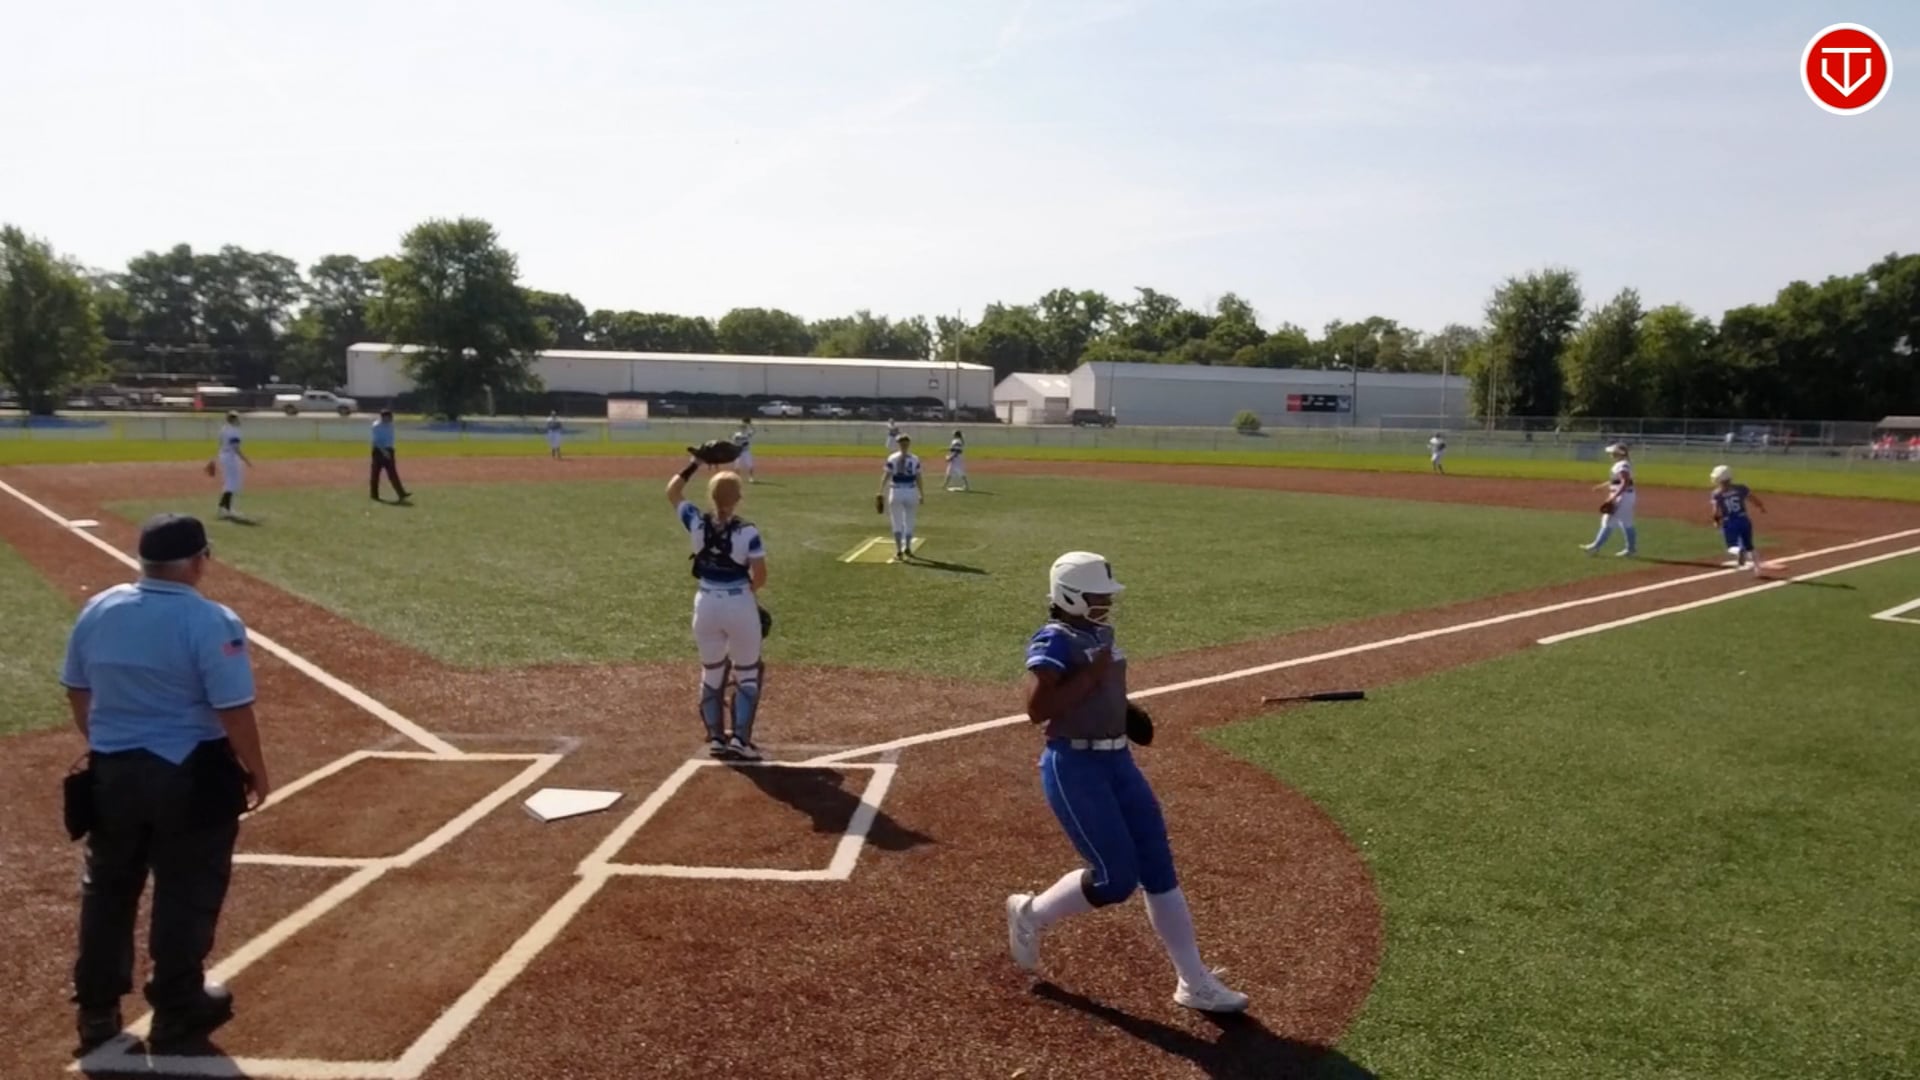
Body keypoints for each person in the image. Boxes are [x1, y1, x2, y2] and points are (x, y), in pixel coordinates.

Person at [61, 513, 272, 1057]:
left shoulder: (99, 608)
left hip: (112, 773)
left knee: (108, 887)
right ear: (197, 561)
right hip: (189, 773)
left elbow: (78, 690)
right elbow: (233, 708)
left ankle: (97, 1010)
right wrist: (256, 768)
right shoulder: (210, 620)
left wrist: (108, 742)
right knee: (187, 887)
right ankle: (178, 1004)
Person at [1003, 551, 1248, 1014]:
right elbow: (1037, 708)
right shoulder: (1053, 639)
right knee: (1115, 879)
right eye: (1098, 596)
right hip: (1074, 765)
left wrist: (1123, 710)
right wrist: (1092, 678)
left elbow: (1104, 688)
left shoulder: (1100, 633)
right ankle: (1031, 913)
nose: (1106, 604)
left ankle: (1193, 980)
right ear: (1071, 596)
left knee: (1158, 867)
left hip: (1118, 760)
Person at [666, 453, 768, 761]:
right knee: (747, 673)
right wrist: (746, 595)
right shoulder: (748, 532)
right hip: (738, 602)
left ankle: (716, 738)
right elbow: (760, 576)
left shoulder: (696, 521)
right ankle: (740, 740)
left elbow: (672, 491)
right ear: (738, 498)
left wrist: (695, 462)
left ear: (710, 496)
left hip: (705, 603)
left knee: (711, 671)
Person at [1709, 465, 1768, 576]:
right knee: (1750, 546)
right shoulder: (1741, 488)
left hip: (1730, 522)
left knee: (1731, 546)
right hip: (1744, 519)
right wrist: (1761, 507)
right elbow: (1754, 499)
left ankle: (1739, 551)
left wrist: (1716, 521)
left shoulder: (1717, 493)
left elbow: (1715, 511)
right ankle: (1758, 569)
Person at [1581, 443, 1636, 557]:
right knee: (1626, 523)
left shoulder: (1622, 465)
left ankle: (1595, 547)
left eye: (1613, 453)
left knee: (1608, 520)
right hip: (1626, 495)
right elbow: (1616, 481)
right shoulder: (1622, 464)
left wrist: (1614, 496)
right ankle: (1631, 549)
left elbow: (1625, 482)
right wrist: (1601, 486)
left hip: (1622, 496)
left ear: (1618, 453)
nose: (1611, 454)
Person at [879, 433, 924, 560]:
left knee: (896, 521)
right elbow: (918, 477)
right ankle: (908, 547)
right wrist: (921, 493)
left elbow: (886, 475)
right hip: (911, 491)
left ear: (898, 444)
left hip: (896, 491)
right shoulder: (915, 459)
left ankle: (899, 550)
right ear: (909, 444)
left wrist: (880, 490)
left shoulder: (892, 457)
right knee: (910, 520)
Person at [208, 412, 252, 521]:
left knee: (230, 483)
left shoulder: (224, 429)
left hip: (224, 456)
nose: (239, 420)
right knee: (231, 484)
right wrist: (246, 460)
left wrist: (214, 458)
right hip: (230, 457)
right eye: (237, 418)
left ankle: (227, 509)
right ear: (233, 420)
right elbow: (236, 448)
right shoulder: (234, 431)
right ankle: (223, 509)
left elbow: (220, 444)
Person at [370, 409, 410, 502]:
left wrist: (390, 451)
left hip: (389, 450)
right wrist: (384, 452)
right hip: (379, 451)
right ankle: (374, 494)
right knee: (375, 473)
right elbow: (376, 442)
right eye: (389, 417)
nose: (390, 419)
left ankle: (401, 493)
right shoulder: (376, 426)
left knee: (392, 473)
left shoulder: (391, 425)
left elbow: (390, 439)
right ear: (383, 417)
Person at [732, 418, 757, 483]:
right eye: (742, 427)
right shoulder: (736, 435)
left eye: (744, 427)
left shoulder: (747, 434)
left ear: (746, 428)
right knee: (737, 465)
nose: (743, 428)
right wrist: (739, 445)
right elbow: (734, 442)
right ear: (740, 428)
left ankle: (751, 478)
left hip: (746, 451)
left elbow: (754, 431)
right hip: (738, 452)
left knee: (750, 464)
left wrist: (750, 424)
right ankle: (737, 478)